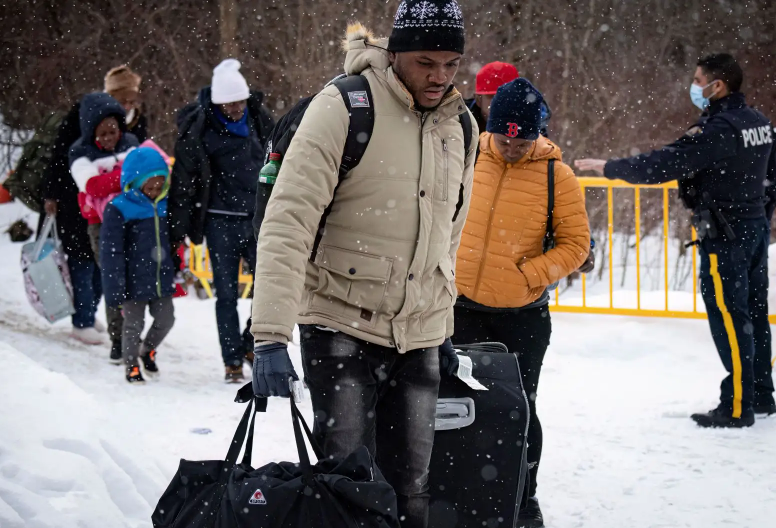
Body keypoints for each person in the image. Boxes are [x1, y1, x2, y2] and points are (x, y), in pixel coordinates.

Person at [248, 2, 477, 526]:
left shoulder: (460, 124)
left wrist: (441, 328)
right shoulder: (345, 107)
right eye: (426, 62)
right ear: (394, 53)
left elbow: (450, 233)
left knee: (411, 490)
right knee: (348, 488)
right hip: (339, 324)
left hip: (418, 334)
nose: (439, 77)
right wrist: (269, 337)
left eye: (451, 63)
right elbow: (288, 222)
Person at [575, 53, 776, 428]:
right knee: (753, 316)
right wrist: (758, 223)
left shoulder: (719, 130)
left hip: (725, 235)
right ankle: (761, 395)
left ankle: (737, 406)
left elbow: (664, 164)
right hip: (752, 230)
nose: (695, 86)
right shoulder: (759, 123)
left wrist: (611, 168)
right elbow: (772, 183)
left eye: (699, 79)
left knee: (731, 320)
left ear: (717, 86)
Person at [451, 78, 590, 528]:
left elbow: (576, 245)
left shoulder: (557, 176)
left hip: (522, 318)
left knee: (519, 409)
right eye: (504, 136)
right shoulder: (468, 154)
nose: (511, 146)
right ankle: (458, 487)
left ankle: (523, 496)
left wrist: (528, 276)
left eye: (522, 138)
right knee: (455, 403)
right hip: (461, 307)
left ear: (537, 133)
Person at [169, 58, 274, 383]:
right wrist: (178, 232)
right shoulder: (198, 130)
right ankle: (231, 361)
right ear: (217, 102)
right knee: (226, 295)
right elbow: (183, 184)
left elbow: (282, 156)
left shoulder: (258, 120)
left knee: (270, 288)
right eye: (229, 103)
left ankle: (249, 343)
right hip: (219, 222)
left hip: (258, 219)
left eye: (240, 101)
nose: (235, 108)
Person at [41, 65, 148, 348]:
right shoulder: (81, 115)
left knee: (105, 262)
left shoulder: (136, 121)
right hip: (76, 200)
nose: (128, 105)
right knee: (82, 260)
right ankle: (83, 320)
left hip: (117, 206)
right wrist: (51, 194)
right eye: (122, 99)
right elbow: (59, 155)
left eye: (131, 100)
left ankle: (89, 312)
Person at [67, 92, 139, 353]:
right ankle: (117, 337)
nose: (109, 139)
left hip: (133, 219)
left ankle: (131, 329)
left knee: (130, 278)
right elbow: (92, 185)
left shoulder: (130, 142)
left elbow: (148, 171)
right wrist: (126, 176)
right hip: (100, 224)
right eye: (103, 134)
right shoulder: (80, 152)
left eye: (113, 131)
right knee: (111, 277)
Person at [101, 147, 176, 384]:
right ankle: (131, 365)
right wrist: (116, 287)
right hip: (133, 280)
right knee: (133, 325)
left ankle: (147, 350)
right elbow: (111, 252)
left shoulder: (165, 205)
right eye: (149, 187)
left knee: (166, 319)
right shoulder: (119, 208)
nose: (154, 192)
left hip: (160, 276)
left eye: (159, 186)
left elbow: (172, 243)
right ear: (134, 183)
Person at [465, 61, 551, 137]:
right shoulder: (459, 125)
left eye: (507, 97)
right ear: (478, 100)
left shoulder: (533, 128)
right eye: (493, 97)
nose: (500, 104)